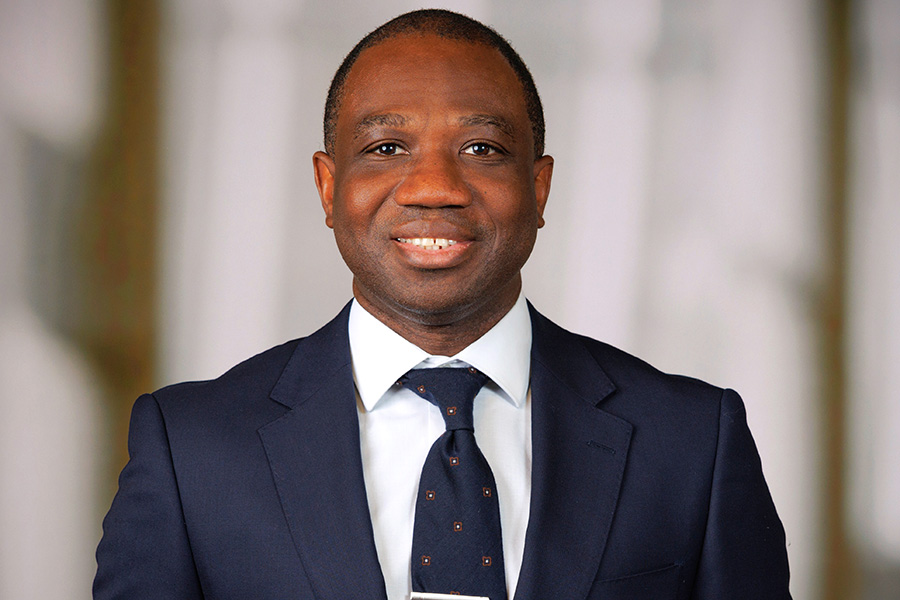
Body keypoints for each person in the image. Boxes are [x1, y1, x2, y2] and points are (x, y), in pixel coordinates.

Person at [94, 9, 791, 600]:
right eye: (387, 146)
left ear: (539, 188)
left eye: (482, 148)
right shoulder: (191, 450)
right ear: (327, 187)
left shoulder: (693, 441)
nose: (433, 186)